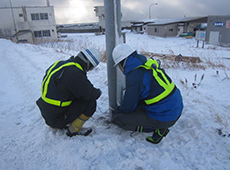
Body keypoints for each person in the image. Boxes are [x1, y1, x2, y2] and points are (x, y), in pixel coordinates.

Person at [112, 43, 183, 144]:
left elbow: (128, 106)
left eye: (118, 65)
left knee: (119, 119)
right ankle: (158, 123)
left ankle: (158, 128)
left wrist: (117, 110)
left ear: (122, 62)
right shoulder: (145, 63)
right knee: (137, 107)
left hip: (166, 116)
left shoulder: (135, 76)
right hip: (174, 109)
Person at [36, 48, 102, 137]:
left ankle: (61, 121)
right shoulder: (74, 73)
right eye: (91, 68)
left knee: (77, 95)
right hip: (56, 118)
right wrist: (99, 92)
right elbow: (90, 94)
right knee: (91, 103)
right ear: (88, 64)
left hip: (48, 112)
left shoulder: (61, 64)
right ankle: (73, 130)